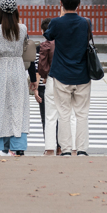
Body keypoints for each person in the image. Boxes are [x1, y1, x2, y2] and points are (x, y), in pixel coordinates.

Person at [43, 0, 92, 156]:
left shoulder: (56, 22)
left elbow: (48, 36)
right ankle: (82, 149)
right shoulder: (86, 22)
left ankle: (65, 149)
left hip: (61, 73)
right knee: (82, 114)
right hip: (82, 73)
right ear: (79, 4)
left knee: (63, 114)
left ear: (61, 3)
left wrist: (60, 15)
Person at [0, 0, 31, 155]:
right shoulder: (22, 29)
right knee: (18, 107)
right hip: (18, 70)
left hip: (0, 71)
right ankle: (18, 146)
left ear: (0, 13)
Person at [36, 18, 60, 156]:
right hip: (61, 82)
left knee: (47, 117)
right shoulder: (61, 44)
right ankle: (61, 147)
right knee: (62, 116)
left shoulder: (42, 46)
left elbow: (38, 68)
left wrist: (35, 88)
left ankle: (49, 147)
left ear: (42, 31)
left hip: (44, 85)